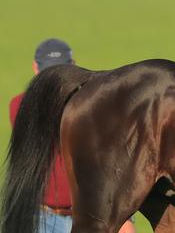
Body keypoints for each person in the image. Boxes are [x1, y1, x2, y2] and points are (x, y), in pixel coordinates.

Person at [9, 38, 137, 233]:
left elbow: (112, 160)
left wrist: (125, 215)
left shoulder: (89, 105)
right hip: (39, 218)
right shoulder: (21, 106)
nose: (55, 79)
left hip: (87, 215)